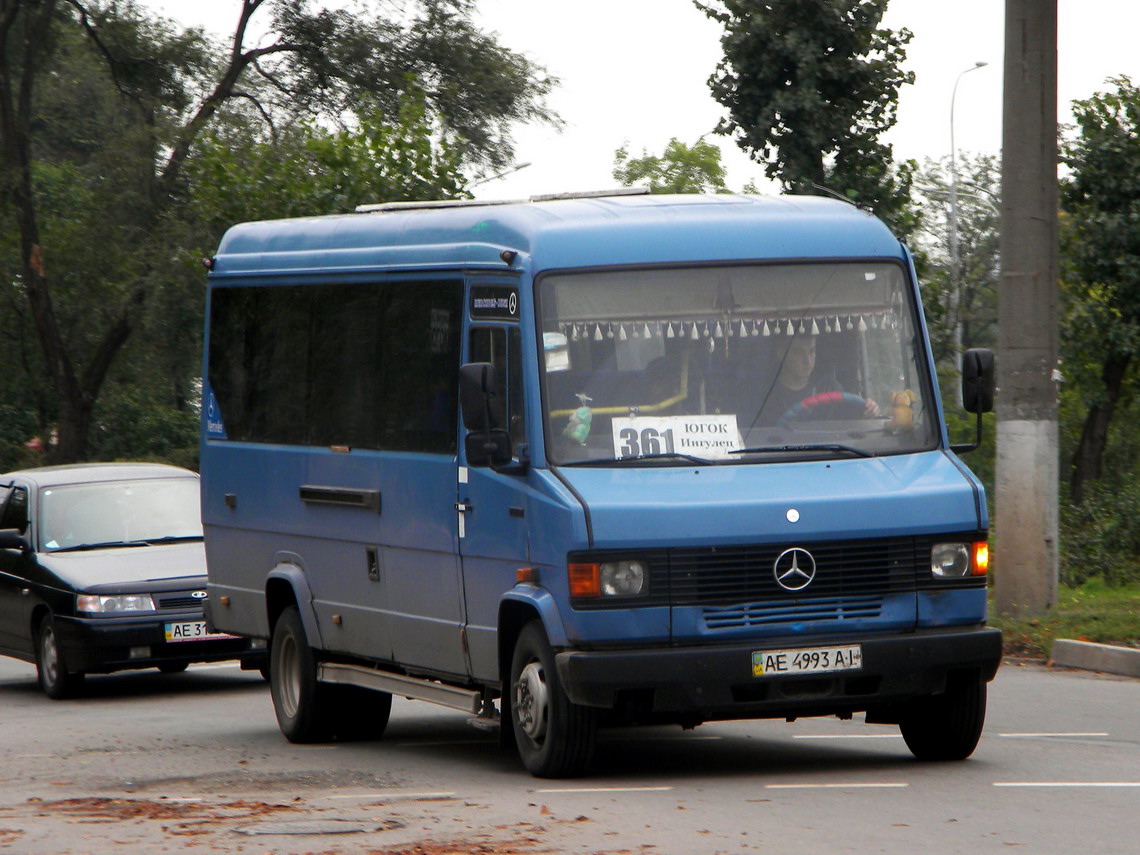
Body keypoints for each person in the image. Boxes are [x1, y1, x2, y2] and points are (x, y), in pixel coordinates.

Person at [753, 334, 879, 426]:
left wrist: (869, 410)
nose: (808, 360)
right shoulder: (764, 395)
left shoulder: (829, 387)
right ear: (781, 353)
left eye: (811, 351)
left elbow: (851, 422)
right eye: (798, 353)